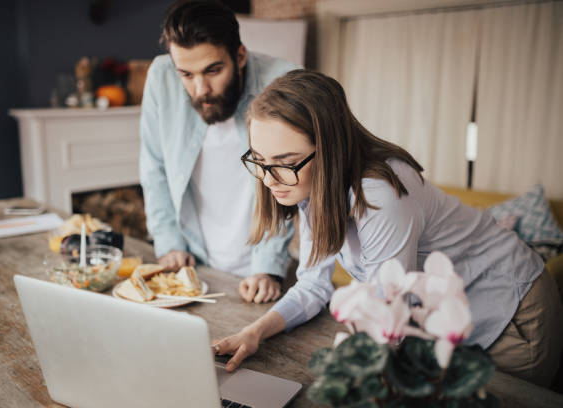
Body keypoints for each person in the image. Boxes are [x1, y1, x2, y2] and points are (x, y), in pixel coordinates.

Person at [213, 69, 563, 387]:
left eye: (286, 163)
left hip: (509, 310)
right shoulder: (307, 186)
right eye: (260, 159)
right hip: (444, 315)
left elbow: (389, 317)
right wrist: (254, 332)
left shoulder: (380, 193)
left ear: (330, 149)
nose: (270, 179)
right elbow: (313, 284)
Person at [140, 0, 297, 303]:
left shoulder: (283, 81)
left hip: (261, 271)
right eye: (186, 74)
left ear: (239, 56)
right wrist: (169, 242)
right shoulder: (161, 77)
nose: (201, 89)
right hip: (194, 264)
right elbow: (153, 167)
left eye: (213, 70)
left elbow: (287, 180)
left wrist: (267, 268)